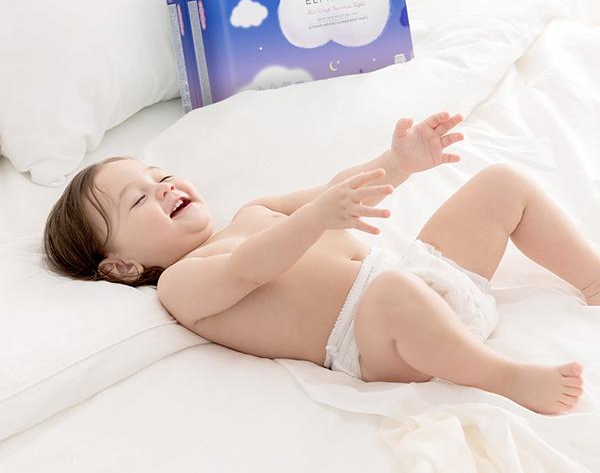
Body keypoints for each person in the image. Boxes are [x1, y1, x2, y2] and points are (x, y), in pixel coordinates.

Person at [43, 111, 596, 415]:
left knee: (501, 184)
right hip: (379, 339)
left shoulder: (253, 209)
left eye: (160, 175)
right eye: (138, 200)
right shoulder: (181, 283)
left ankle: (592, 277)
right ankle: (506, 377)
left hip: (424, 277)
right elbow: (248, 270)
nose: (163, 188)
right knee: (390, 294)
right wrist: (315, 219)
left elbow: (340, 192)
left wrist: (397, 162)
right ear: (121, 267)